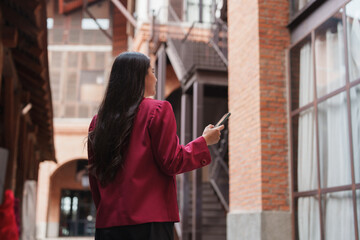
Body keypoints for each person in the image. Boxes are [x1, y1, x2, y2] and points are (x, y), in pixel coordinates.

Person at [87, 52, 224, 240]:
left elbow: (95, 176)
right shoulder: (158, 110)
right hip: (150, 222)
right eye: (151, 71)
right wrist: (204, 142)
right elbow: (172, 162)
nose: (156, 77)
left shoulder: (98, 121)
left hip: (108, 223)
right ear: (139, 77)